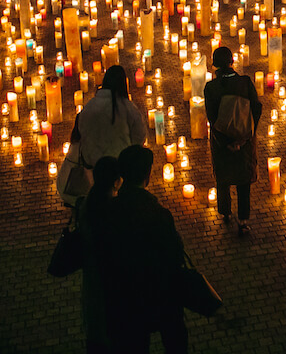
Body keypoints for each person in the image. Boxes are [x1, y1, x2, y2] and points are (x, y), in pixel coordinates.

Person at [103, 145, 188, 353]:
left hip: (125, 300)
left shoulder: (109, 212)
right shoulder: (158, 214)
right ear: (148, 175)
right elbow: (175, 255)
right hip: (160, 294)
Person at [204, 46, 263, 238]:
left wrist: (224, 139)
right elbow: (256, 107)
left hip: (221, 142)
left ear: (215, 67)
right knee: (243, 181)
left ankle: (226, 212)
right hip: (245, 142)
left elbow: (211, 117)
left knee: (223, 177)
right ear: (232, 63)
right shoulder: (245, 83)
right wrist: (247, 134)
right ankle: (244, 221)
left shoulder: (211, 88)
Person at [78, 156, 120, 354]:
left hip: (93, 283)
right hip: (110, 284)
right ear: (115, 180)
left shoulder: (87, 204)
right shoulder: (111, 209)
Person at [76, 65, 147, 172]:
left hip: (94, 166)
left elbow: (81, 130)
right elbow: (140, 135)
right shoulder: (127, 107)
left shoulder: (90, 106)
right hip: (121, 165)